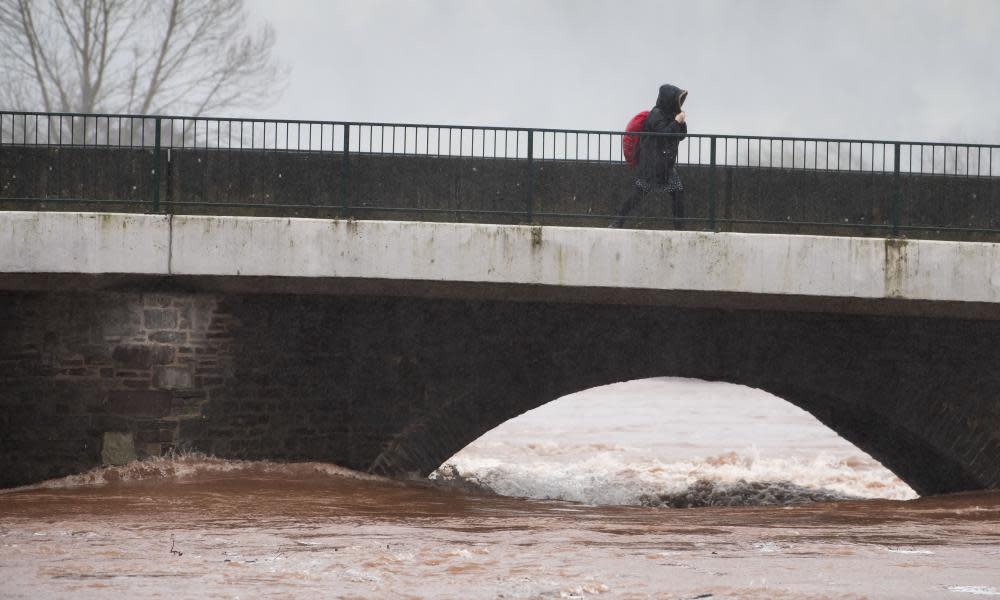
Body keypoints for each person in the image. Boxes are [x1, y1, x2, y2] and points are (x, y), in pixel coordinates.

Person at [611, 84, 688, 229]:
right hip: (651, 166)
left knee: (678, 192)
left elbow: (681, 135)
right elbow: (664, 135)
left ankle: (680, 228)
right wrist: (677, 122)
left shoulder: (670, 115)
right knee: (638, 193)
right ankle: (618, 220)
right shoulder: (656, 114)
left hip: (666, 165)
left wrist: (681, 122)